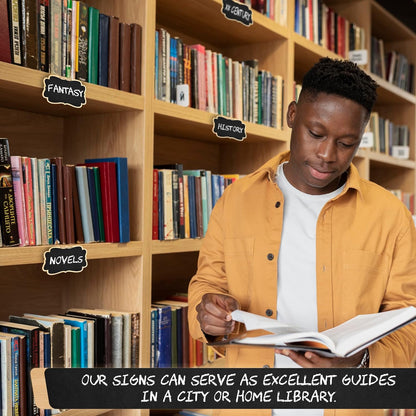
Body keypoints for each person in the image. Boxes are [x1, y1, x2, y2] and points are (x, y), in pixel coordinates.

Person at [187, 57, 416, 416]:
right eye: (316, 134)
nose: (327, 155)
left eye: (346, 143)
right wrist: (209, 316)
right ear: (293, 115)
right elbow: (207, 283)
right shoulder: (237, 199)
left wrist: (360, 363)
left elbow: (408, 323)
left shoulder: (391, 216)